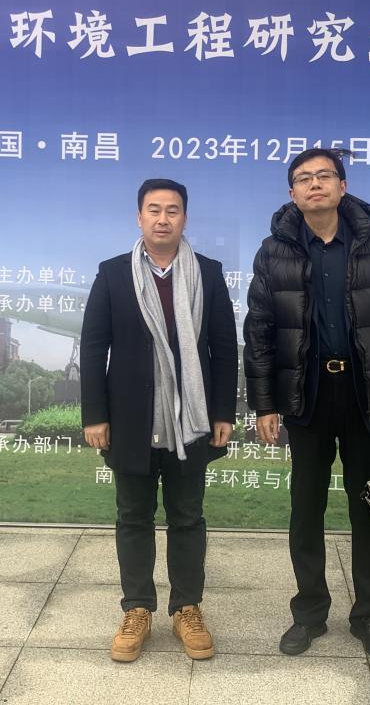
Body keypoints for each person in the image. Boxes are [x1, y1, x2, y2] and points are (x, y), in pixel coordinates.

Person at [244, 148, 370, 661]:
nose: (315, 184)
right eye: (304, 178)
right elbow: (259, 332)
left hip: (365, 396)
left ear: (343, 187)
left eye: (324, 175)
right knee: (306, 509)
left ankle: (369, 618)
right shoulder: (273, 252)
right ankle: (309, 614)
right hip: (307, 396)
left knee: (369, 509)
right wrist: (264, 404)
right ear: (293, 193)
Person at [81, 178, 238, 663]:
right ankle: (137, 609)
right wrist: (95, 415)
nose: (163, 218)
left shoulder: (208, 273)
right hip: (130, 418)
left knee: (188, 516)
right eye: (154, 209)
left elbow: (223, 347)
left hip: (191, 420)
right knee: (133, 516)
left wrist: (223, 412)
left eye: (172, 210)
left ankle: (186, 607)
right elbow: (94, 347)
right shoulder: (112, 273)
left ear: (185, 218)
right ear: (139, 217)